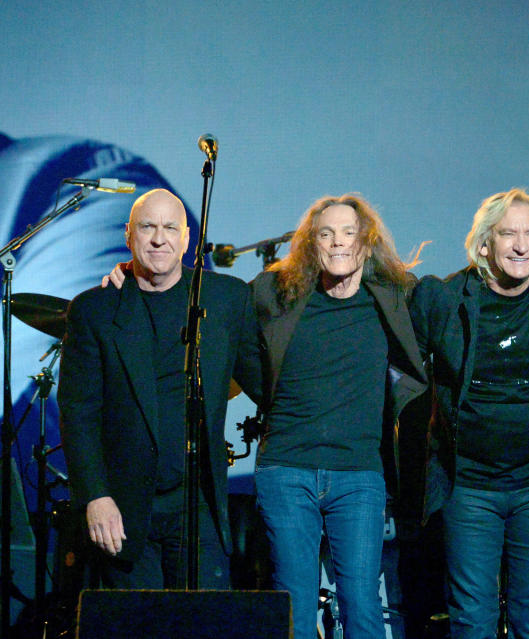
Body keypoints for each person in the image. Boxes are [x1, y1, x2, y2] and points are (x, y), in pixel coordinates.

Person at [407, 188, 529, 639]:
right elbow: (399, 366)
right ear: (484, 242)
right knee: (473, 618)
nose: (520, 245)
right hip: (469, 486)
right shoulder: (443, 299)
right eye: (508, 234)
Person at [58, 188, 261, 588]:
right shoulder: (95, 309)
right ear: (129, 235)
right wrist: (95, 497)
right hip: (124, 507)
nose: (158, 238)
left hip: (198, 504)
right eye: (147, 227)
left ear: (187, 239)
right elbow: (78, 414)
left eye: (170, 227)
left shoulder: (225, 299)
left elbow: (266, 382)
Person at [250, 194, 427, 639]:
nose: (338, 243)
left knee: (363, 604)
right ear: (311, 243)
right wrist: (128, 275)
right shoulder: (274, 292)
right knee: (294, 602)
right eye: (326, 233)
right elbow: (227, 334)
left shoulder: (396, 297)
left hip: (359, 474)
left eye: (349, 233)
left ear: (366, 243)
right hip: (287, 469)